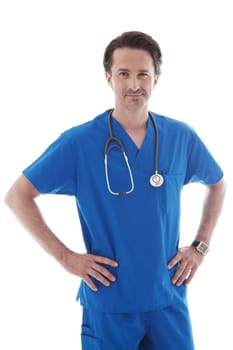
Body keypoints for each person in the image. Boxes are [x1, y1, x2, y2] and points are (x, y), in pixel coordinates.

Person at [5, 31, 226, 350]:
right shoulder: (79, 143)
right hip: (110, 302)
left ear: (156, 79)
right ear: (108, 78)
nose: (134, 84)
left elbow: (217, 183)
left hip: (168, 299)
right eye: (124, 73)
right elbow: (17, 196)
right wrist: (66, 258)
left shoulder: (180, 137)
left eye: (143, 74)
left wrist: (200, 246)